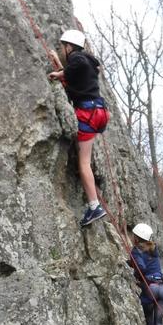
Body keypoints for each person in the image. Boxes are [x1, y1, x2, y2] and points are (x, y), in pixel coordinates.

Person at [48, 29, 110, 228]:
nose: (62, 51)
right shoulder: (88, 64)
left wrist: (59, 72)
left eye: (63, 48)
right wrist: (59, 66)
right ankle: (94, 204)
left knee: (84, 163)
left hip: (87, 112)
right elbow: (74, 80)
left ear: (69, 47)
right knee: (85, 158)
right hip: (99, 112)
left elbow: (76, 65)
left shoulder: (78, 58)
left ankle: (94, 206)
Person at [128, 223, 163, 325]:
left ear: (136, 238)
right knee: (159, 322)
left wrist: (132, 265)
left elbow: (141, 267)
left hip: (150, 289)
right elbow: (149, 263)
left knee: (149, 319)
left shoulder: (136, 251)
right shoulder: (153, 249)